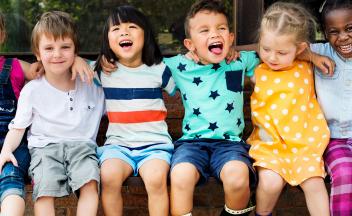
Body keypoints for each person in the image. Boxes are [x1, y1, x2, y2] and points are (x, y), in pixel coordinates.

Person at [0, 11, 105, 216]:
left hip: (82, 147)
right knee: (44, 191)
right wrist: (7, 150)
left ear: (75, 50)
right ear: (38, 54)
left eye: (65, 47)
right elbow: (18, 127)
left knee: (90, 184)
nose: (57, 54)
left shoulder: (92, 83)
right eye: (49, 48)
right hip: (44, 148)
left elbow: (116, 66)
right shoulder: (32, 90)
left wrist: (82, 60)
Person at [163, 1, 260, 215]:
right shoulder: (179, 66)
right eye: (204, 30)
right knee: (180, 175)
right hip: (191, 144)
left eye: (221, 29)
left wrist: (238, 49)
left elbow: (273, 46)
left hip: (230, 144)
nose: (214, 34)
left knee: (238, 178)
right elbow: (140, 61)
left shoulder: (239, 61)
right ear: (190, 44)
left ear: (231, 37)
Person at [246, 2, 330, 216]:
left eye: (282, 52)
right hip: (270, 144)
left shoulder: (306, 67)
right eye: (265, 49)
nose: (272, 57)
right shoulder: (257, 72)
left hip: (304, 144)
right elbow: (233, 57)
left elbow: (310, 54)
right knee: (271, 182)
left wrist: (312, 57)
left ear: (299, 49)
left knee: (314, 183)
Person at [93, 5, 176, 216]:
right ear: (108, 40)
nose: (124, 32)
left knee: (157, 179)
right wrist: (80, 60)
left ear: (145, 35)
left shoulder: (159, 69)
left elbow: (185, 87)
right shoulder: (102, 71)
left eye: (132, 27)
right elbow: (71, 64)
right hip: (118, 146)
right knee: (108, 176)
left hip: (155, 145)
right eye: (116, 29)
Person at [309, 0, 352, 215]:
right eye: (334, 32)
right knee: (345, 172)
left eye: (350, 28)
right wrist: (312, 56)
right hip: (334, 139)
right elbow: (279, 46)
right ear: (325, 33)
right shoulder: (321, 51)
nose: (343, 37)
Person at [0, 10, 42, 216]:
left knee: (11, 177)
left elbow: (49, 69)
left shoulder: (15, 66)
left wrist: (78, 62)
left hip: (13, 143)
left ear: (2, 35)